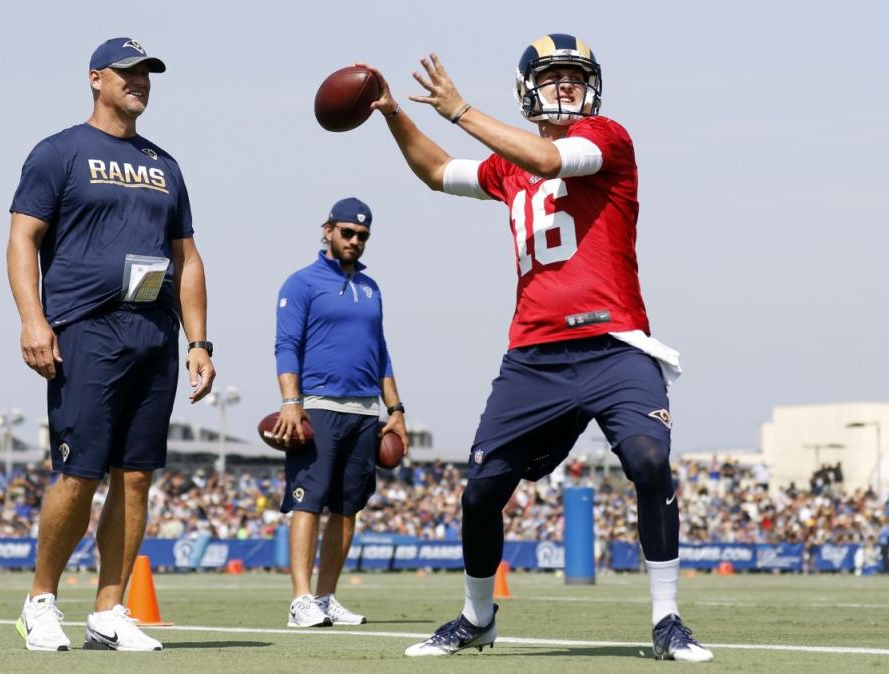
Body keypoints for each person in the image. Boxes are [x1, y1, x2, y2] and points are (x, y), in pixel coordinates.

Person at [361, 33, 713, 661]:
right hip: (534, 355)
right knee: (480, 492)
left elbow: (551, 163)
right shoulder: (507, 165)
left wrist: (461, 110)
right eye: (554, 77)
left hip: (615, 345)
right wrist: (394, 114)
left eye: (576, 76)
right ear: (528, 93)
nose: (568, 86)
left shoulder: (608, 136)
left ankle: (667, 619)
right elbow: (438, 171)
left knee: (648, 461)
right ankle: (476, 615)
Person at [6, 37, 215, 652]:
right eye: (128, 73)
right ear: (96, 78)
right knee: (78, 473)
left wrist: (199, 341)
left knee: (135, 479)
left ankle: (109, 609)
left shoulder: (165, 164)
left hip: (153, 329)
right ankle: (40, 601)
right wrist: (32, 319)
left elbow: (188, 259)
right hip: (85, 328)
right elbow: (22, 239)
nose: (140, 82)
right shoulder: (60, 151)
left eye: (147, 73)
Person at [273, 197, 408, 628]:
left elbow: (381, 351)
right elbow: (285, 346)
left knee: (348, 508)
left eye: (363, 236)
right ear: (328, 229)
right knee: (308, 503)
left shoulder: (372, 288)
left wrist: (396, 408)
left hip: (366, 411)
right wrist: (291, 402)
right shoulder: (301, 283)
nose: (355, 241)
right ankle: (301, 600)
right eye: (347, 232)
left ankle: (328, 597)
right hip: (318, 405)